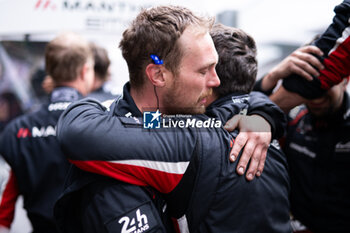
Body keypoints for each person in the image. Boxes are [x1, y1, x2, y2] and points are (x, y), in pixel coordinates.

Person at [56, 8, 290, 232]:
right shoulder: (111, 150)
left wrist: (263, 113)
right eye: (203, 70)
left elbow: (230, 103)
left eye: (216, 67)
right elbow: (77, 133)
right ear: (158, 74)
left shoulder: (187, 121)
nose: (216, 81)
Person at [0, 32, 94, 233]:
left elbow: (4, 211)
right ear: (85, 71)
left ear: (49, 72)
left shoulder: (18, 130)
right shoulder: (102, 122)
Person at [261, 0, 350, 112]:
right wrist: (270, 78)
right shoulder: (291, 121)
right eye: (300, 73)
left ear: (345, 81)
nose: (315, 97)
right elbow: (241, 113)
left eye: (326, 85)